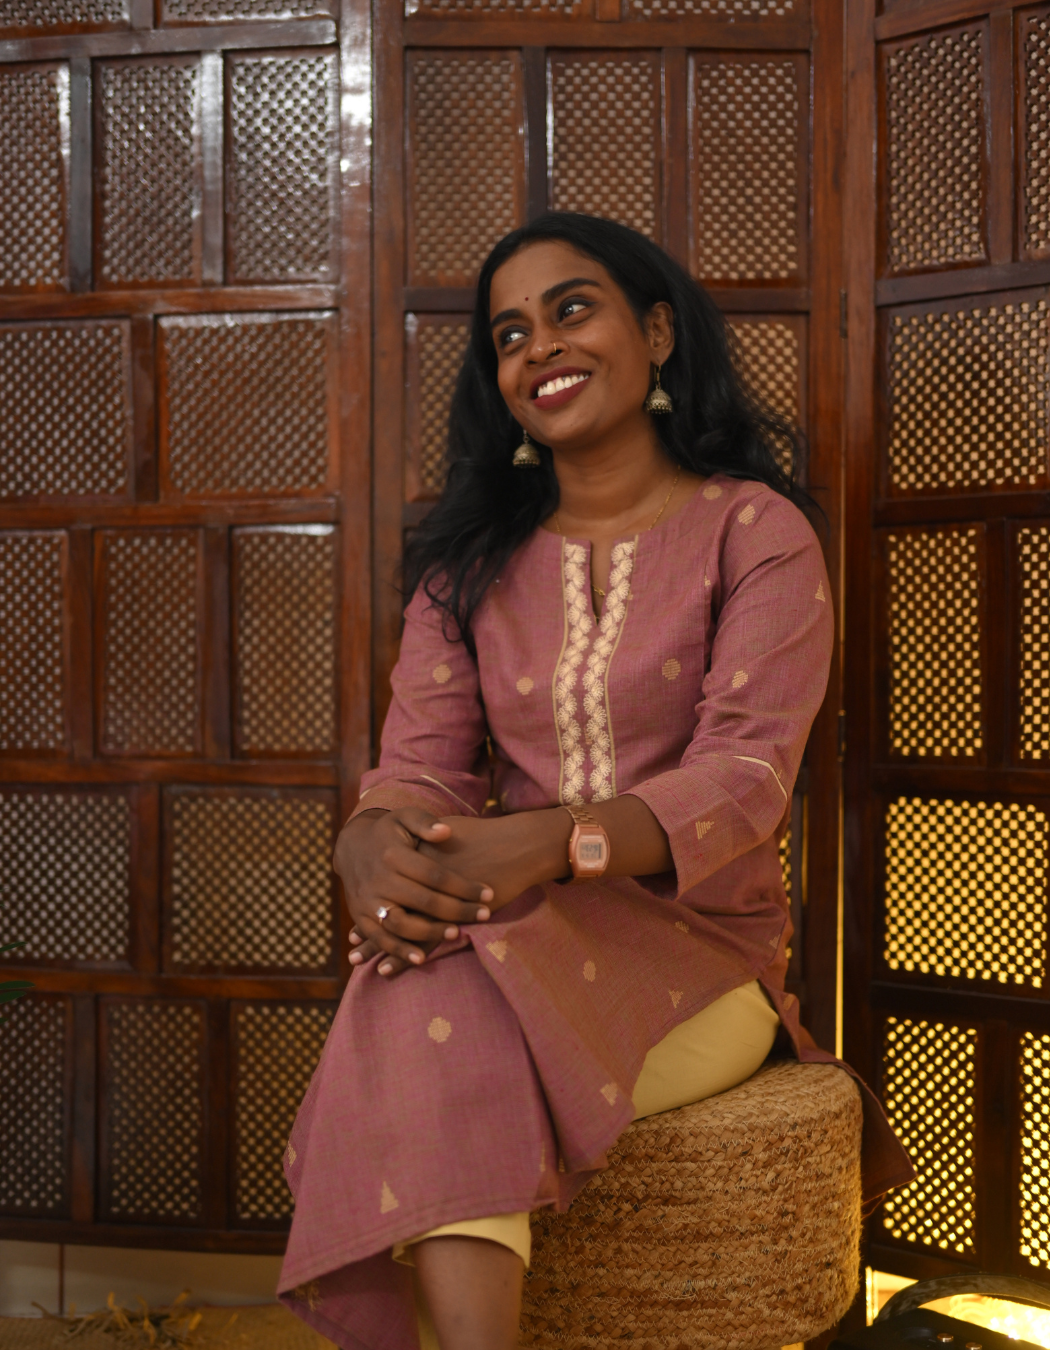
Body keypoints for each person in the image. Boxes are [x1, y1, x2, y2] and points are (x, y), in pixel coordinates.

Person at [278, 212, 911, 1350]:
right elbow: (420, 764)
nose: (541, 347)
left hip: (703, 957)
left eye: (572, 310)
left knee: (421, 991)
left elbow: (744, 778)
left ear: (657, 333)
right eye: (510, 335)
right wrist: (369, 838)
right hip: (506, 934)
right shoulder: (468, 569)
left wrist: (548, 842)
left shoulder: (755, 534)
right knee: (423, 982)